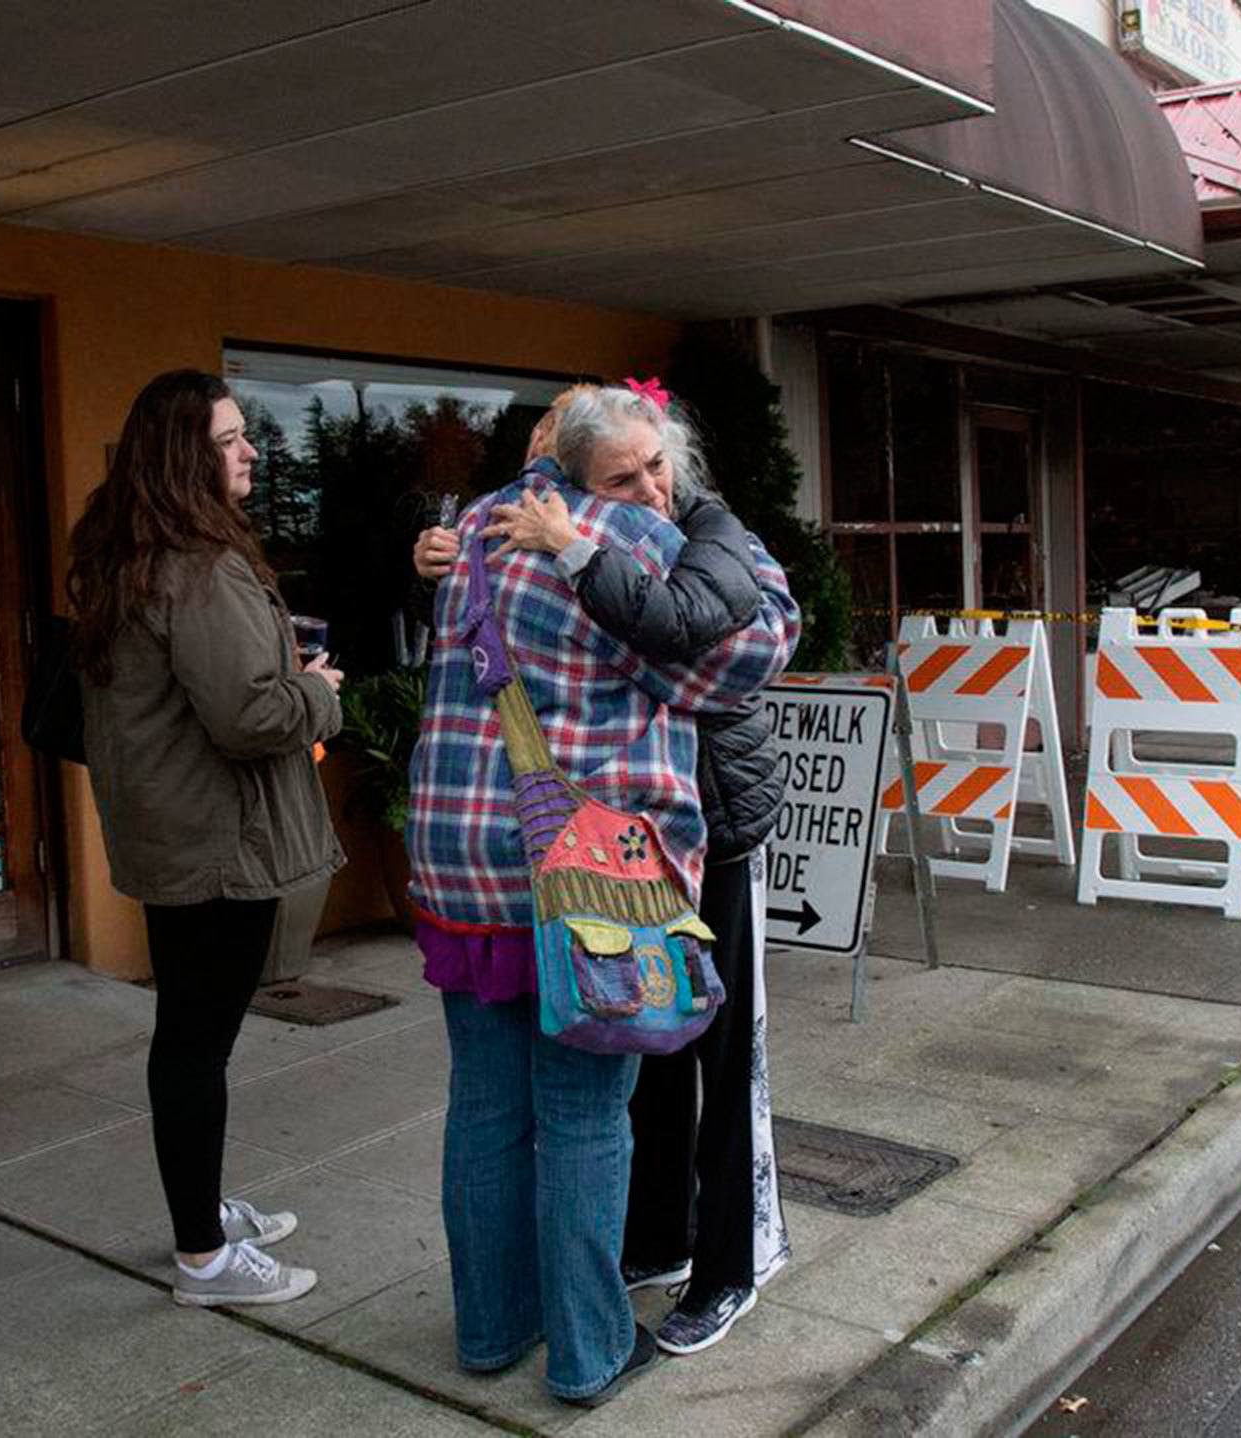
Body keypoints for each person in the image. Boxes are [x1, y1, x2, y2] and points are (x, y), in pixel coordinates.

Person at [407, 386, 798, 1405]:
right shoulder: (623, 537)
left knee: (485, 1106)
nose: (651, 487)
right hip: (583, 867)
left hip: (459, 856)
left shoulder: (476, 533)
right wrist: (724, 543)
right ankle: (585, 1353)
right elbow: (745, 657)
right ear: (582, 465)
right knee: (583, 1117)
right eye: (633, 469)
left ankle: (491, 1329)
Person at [68, 369, 344, 1307]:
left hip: (172, 834)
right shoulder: (200, 566)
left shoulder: (126, 553)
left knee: (187, 1036)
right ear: (188, 456)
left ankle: (201, 1212)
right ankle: (204, 1258)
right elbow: (250, 715)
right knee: (195, 1046)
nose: (251, 451)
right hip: (218, 844)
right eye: (230, 439)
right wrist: (321, 694)